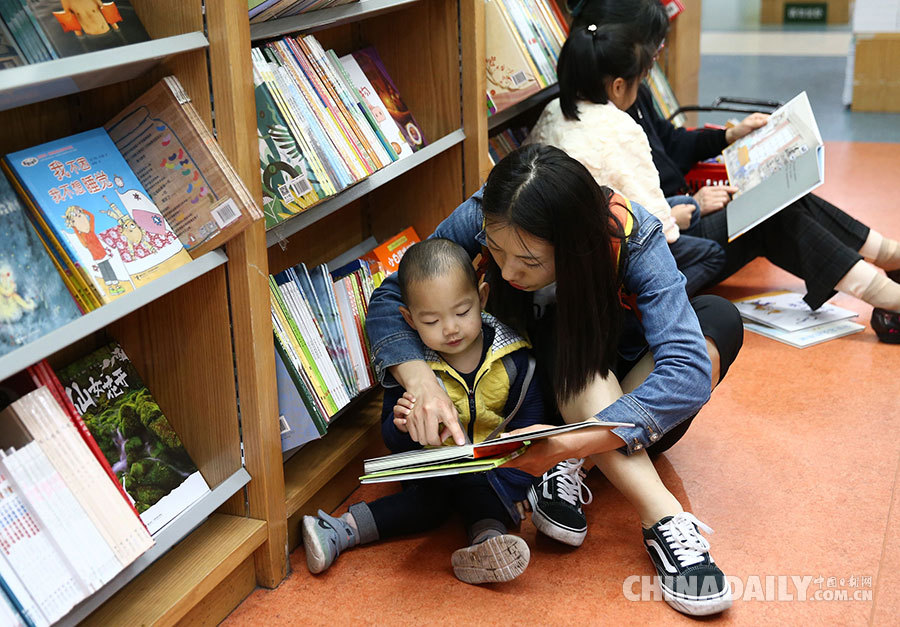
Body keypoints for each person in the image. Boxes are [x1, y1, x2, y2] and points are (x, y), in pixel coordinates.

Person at [365, 144, 743, 616]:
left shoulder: (631, 234)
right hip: (542, 389)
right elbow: (391, 295)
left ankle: (574, 466)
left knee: (718, 321)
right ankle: (664, 518)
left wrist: (567, 445)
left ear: (574, 244)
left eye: (528, 260)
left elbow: (685, 373)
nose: (505, 271)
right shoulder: (487, 213)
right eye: (496, 251)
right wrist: (422, 384)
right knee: (576, 353)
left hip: (605, 400)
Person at [556, 0, 900, 342]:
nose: (655, 58)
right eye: (652, 47)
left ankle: (887, 257)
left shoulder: (625, 95)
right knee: (772, 214)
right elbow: (634, 221)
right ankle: (887, 288)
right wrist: (691, 204)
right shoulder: (607, 129)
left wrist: (728, 136)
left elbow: (670, 143)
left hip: (685, 212)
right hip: (676, 232)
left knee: (781, 194)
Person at [302, 238, 543, 585]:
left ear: (482, 298)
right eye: (431, 321)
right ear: (409, 319)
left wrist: (516, 486)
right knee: (426, 505)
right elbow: (391, 438)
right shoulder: (415, 370)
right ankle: (341, 529)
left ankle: (488, 546)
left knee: (486, 499)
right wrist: (401, 427)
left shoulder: (515, 359)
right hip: (431, 472)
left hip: (490, 472)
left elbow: (530, 427)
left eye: (462, 312)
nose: (450, 328)